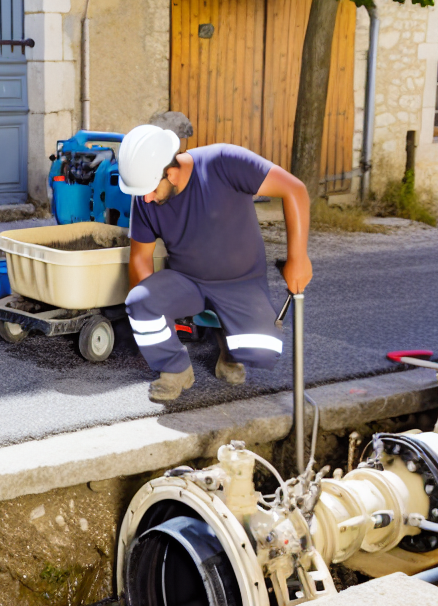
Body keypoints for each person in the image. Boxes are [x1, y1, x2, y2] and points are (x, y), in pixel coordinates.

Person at [119, 124, 312, 403]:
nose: (145, 198)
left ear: (171, 172)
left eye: (149, 190)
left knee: (261, 350)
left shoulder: (224, 162)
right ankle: (175, 370)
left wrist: (298, 257)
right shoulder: (145, 200)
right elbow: (139, 260)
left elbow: (295, 189)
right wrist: (153, 328)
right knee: (138, 300)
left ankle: (229, 348)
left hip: (241, 282)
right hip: (187, 282)